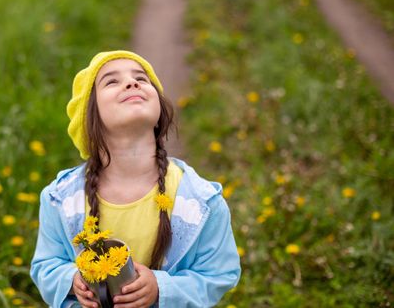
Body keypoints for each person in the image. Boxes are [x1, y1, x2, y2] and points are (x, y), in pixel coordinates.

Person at [30, 50, 241, 308]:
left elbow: (219, 274)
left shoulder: (201, 202)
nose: (132, 83)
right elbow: (45, 266)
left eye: (141, 78)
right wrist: (72, 280)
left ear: (160, 109)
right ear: (89, 117)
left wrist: (161, 289)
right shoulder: (60, 200)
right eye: (111, 81)